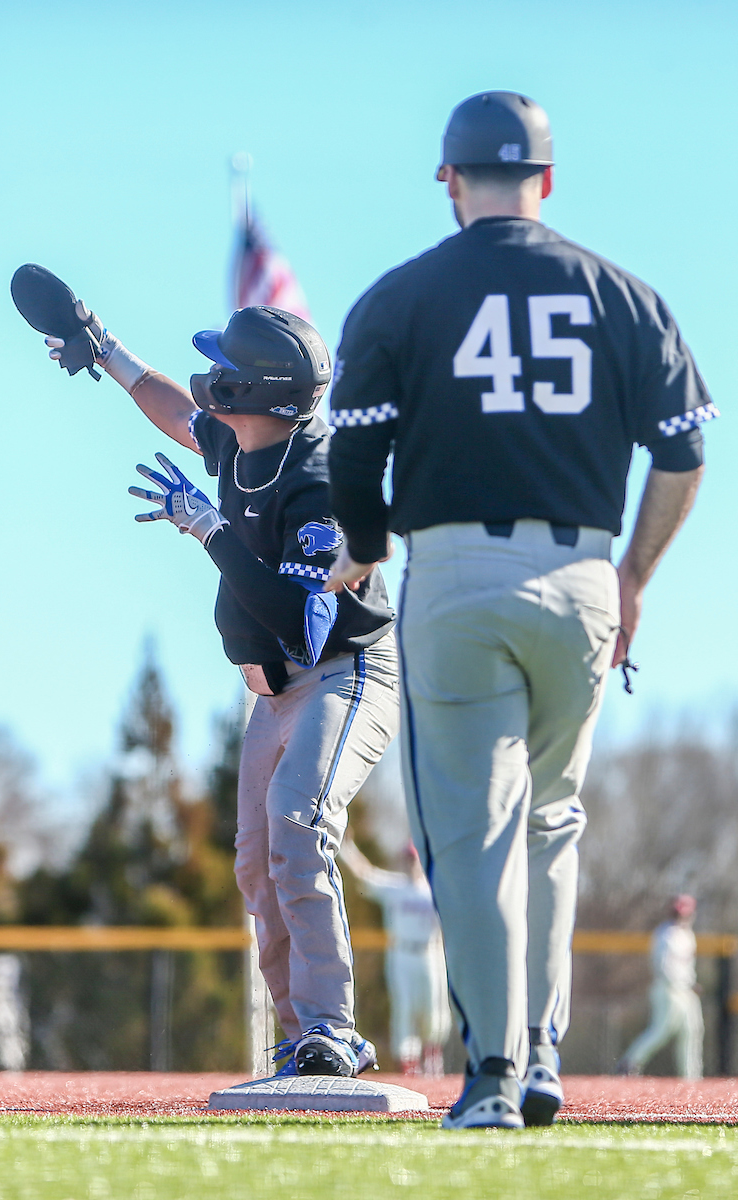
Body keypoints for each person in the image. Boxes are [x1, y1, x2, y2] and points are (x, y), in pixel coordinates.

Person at [324, 91, 715, 1126]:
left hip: (452, 576)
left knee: (472, 831)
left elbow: (355, 454)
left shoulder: (401, 296)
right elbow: (683, 453)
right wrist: (630, 575)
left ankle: (494, 1073)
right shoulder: (622, 296)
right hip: (582, 576)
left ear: (447, 180)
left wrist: (362, 552)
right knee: (552, 821)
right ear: (545, 181)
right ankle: (540, 1052)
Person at [16, 277, 400, 1077]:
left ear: (253, 391)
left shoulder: (318, 481)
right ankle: (300, 1038)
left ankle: (335, 1030)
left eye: (227, 367)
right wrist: (104, 349)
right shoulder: (245, 440)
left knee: (298, 825)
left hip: (344, 675)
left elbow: (302, 625)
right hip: (272, 687)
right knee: (256, 863)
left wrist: (211, 530)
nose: (211, 375)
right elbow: (171, 407)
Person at [340, 835, 452, 1075]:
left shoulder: (435, 889)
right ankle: (408, 1064)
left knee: (433, 1006)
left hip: (429, 952)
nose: (411, 863)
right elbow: (363, 873)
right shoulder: (395, 888)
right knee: (405, 1006)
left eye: (415, 858)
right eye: (408, 858)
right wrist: (346, 846)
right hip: (402, 952)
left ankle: (433, 1060)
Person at [617, 894, 704, 1080]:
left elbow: (686, 967)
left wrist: (690, 984)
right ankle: (629, 1062)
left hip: (686, 991)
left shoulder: (688, 935)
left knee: (693, 1030)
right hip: (668, 990)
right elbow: (663, 967)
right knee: (661, 1031)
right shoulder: (665, 933)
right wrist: (683, 984)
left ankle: (692, 1077)